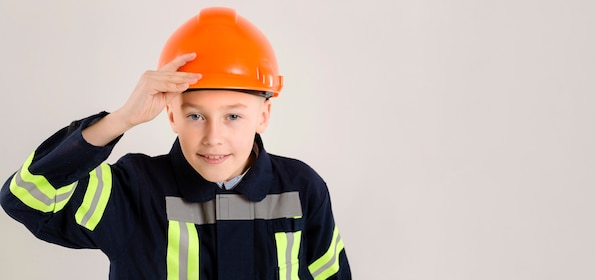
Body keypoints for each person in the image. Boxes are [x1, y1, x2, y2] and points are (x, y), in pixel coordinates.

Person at [0, 7, 351, 280]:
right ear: (171, 115)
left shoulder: (302, 189)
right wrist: (121, 118)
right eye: (196, 116)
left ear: (263, 115)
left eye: (233, 116)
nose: (214, 137)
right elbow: (26, 198)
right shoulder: (133, 191)